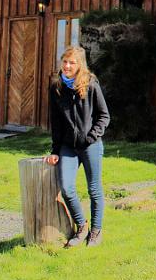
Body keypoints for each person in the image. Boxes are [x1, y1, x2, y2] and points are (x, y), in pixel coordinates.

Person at [43, 45, 110, 247]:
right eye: (65, 61)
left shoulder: (91, 84)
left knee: (94, 190)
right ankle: (81, 226)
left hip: (90, 146)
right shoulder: (56, 87)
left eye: (72, 62)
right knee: (67, 188)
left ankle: (96, 232)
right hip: (67, 147)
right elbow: (56, 122)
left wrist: (91, 137)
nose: (67, 65)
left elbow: (104, 116)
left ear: (80, 65)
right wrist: (55, 150)